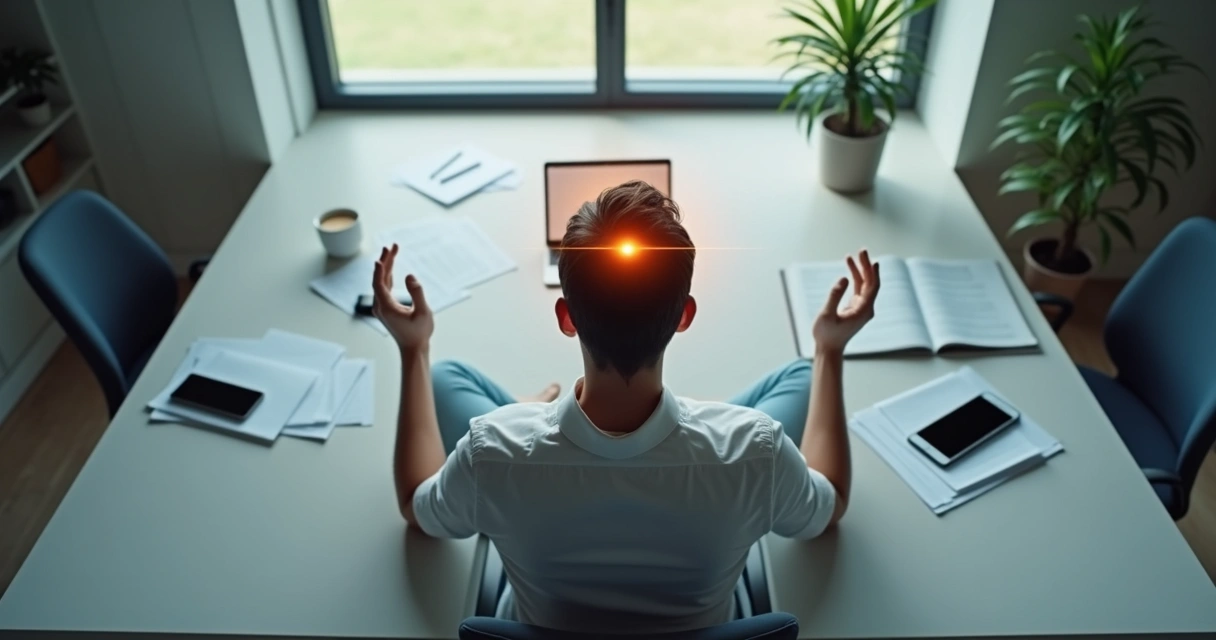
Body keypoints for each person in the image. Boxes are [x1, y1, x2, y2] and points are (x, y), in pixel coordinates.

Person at [371, 181, 880, 634]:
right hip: (720, 487)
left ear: (566, 317)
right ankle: (703, 421)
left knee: (443, 376)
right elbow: (828, 507)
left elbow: (418, 508)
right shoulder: (757, 450)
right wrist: (830, 350)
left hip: (529, 521)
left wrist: (413, 346)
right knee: (800, 374)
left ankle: (531, 408)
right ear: (684, 316)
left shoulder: (492, 452)